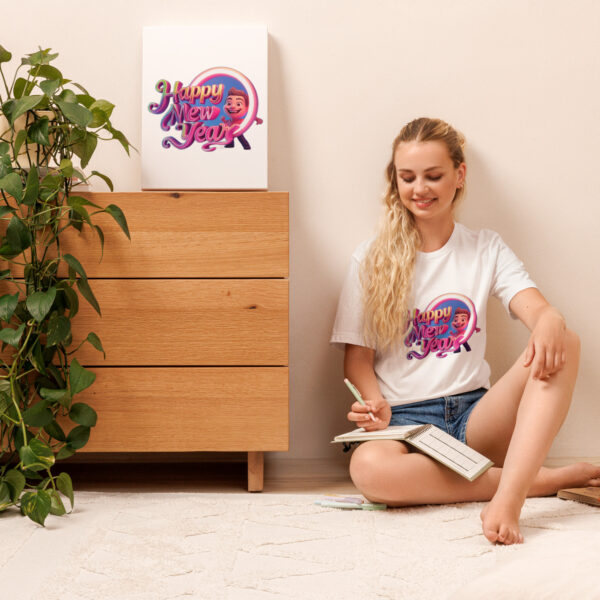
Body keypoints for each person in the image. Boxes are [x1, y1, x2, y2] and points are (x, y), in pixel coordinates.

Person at [330, 117, 600, 545]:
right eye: (408, 177)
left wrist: (549, 318)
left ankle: (508, 498)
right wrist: (374, 403)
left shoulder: (484, 248)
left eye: (434, 175)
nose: (420, 188)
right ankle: (538, 480)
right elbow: (357, 357)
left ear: (459, 175)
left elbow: (535, 307)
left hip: (476, 421)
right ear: (395, 181)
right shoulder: (370, 257)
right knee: (368, 470)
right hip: (404, 426)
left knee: (564, 339)